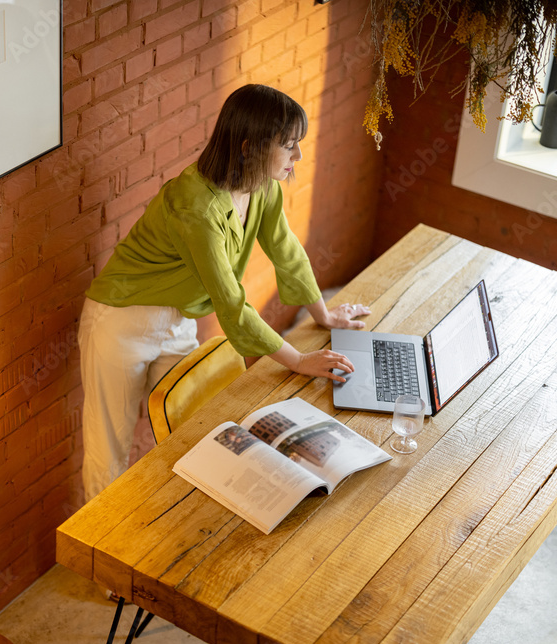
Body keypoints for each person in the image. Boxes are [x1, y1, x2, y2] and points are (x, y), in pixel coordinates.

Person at [77, 84, 370, 501]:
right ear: (250, 146)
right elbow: (231, 303)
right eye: (289, 146)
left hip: (177, 317)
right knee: (109, 454)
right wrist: (298, 359)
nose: (298, 157)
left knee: (202, 430)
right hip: (121, 322)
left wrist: (322, 315)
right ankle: (96, 559)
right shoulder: (195, 207)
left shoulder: (263, 187)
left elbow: (286, 251)